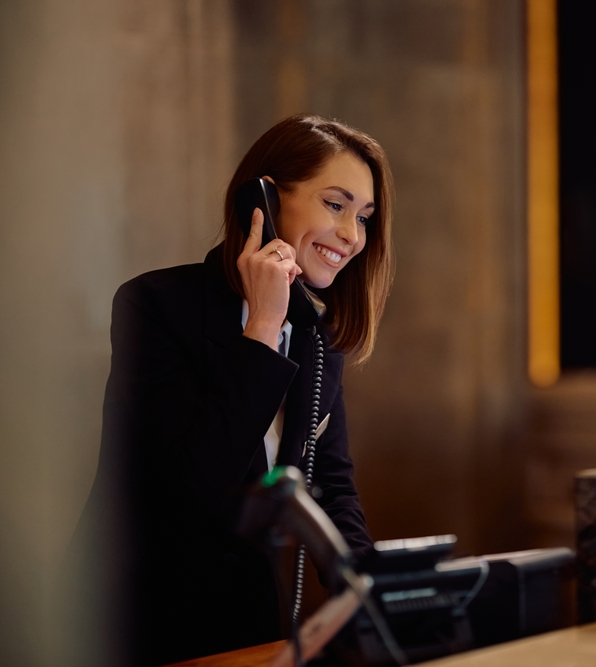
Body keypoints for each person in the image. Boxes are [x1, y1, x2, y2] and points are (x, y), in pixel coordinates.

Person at [72, 114, 393, 665]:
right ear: (263, 200)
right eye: (335, 205)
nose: (352, 236)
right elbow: (194, 488)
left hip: (247, 627)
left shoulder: (320, 339)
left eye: (364, 217)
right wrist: (262, 329)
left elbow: (330, 487)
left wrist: (378, 592)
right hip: (136, 623)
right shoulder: (154, 306)